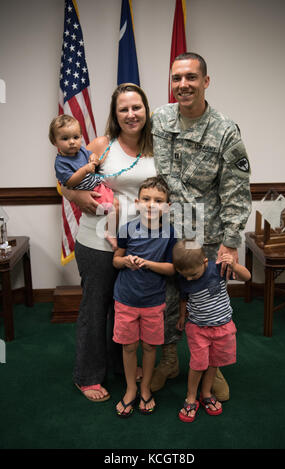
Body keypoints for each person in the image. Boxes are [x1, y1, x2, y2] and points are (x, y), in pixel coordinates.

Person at [150, 52, 252, 400]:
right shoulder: (160, 118)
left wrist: (230, 240)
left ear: (205, 81)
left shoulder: (225, 129)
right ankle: (168, 360)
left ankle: (213, 367)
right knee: (164, 299)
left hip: (207, 235)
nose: (183, 85)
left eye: (191, 77)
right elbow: (153, 164)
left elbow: (236, 190)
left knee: (207, 300)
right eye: (177, 78)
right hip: (165, 232)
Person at [60, 83, 156, 402]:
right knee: (96, 307)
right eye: (123, 109)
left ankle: (118, 365)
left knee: (123, 308)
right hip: (97, 240)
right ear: (115, 115)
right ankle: (87, 375)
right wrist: (76, 195)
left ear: (146, 109)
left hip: (138, 243)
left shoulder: (157, 145)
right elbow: (66, 180)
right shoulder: (101, 144)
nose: (131, 114)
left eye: (136, 107)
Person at [113, 176, 176, 417]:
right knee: (129, 346)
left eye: (158, 200)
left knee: (150, 346)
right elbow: (115, 260)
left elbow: (172, 269)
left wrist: (148, 263)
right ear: (138, 202)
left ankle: (146, 387)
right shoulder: (127, 229)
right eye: (146, 199)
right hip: (126, 298)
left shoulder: (170, 234)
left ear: (167, 207)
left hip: (153, 301)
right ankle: (130, 389)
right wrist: (125, 261)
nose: (151, 204)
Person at [173, 239, 251, 422]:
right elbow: (184, 299)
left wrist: (234, 265)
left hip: (222, 326)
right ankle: (191, 396)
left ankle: (206, 393)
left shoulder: (219, 269)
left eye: (193, 274)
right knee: (198, 363)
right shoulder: (184, 277)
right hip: (198, 328)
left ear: (205, 262)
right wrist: (182, 316)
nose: (189, 279)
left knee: (213, 363)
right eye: (185, 276)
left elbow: (246, 277)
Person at [50, 114, 119, 250]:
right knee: (114, 206)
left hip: (97, 185)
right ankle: (110, 232)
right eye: (65, 138)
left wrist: (94, 158)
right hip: (91, 191)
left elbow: (91, 155)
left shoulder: (81, 150)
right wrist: (85, 170)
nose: (72, 142)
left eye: (76, 137)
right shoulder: (61, 162)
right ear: (54, 141)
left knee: (115, 204)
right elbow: (69, 183)